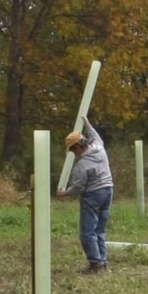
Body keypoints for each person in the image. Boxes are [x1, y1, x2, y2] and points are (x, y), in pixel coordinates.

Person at [57, 116, 113, 274]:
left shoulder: (82, 165)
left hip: (93, 195)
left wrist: (64, 193)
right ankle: (102, 261)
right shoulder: (99, 147)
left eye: (72, 150)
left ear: (77, 147)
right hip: (108, 190)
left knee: (87, 232)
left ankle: (95, 264)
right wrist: (87, 124)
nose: (73, 154)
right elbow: (94, 134)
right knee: (100, 230)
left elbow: (78, 188)